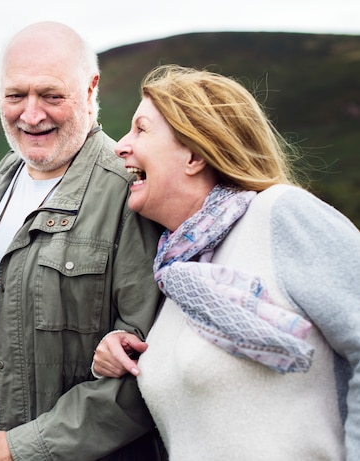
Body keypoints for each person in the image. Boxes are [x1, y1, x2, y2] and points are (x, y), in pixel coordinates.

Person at [0, 22, 167, 461]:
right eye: (15, 95)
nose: (31, 114)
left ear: (90, 89)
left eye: (51, 95)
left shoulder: (128, 195)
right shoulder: (5, 176)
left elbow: (144, 375)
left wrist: (21, 448)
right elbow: (20, 315)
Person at [91, 64, 360, 460]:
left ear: (195, 154)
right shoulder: (174, 271)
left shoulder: (280, 214)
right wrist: (114, 353)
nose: (120, 146)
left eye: (141, 129)